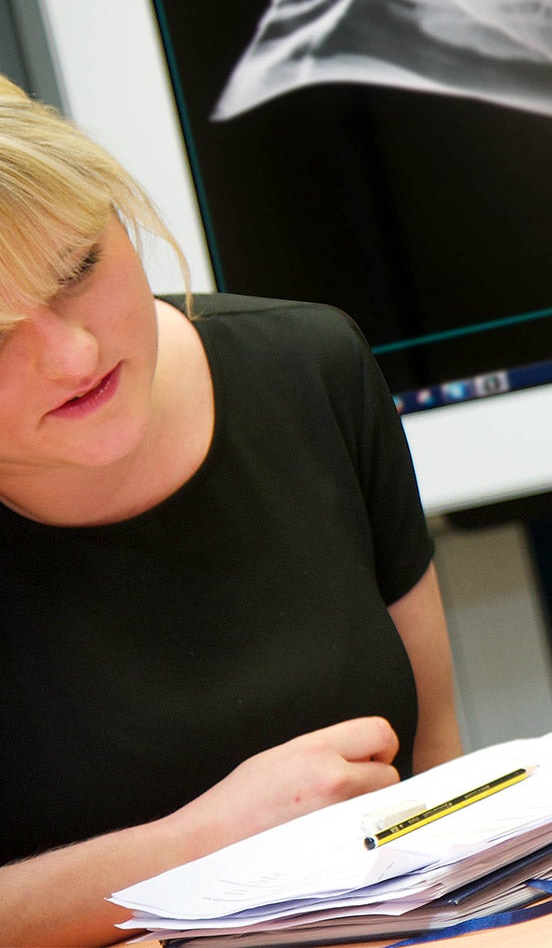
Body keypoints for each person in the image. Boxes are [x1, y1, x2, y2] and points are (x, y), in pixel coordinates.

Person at [0, 81, 460, 946]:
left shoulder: (307, 365)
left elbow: (435, 759)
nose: (75, 355)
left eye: (77, 270)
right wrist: (201, 844)